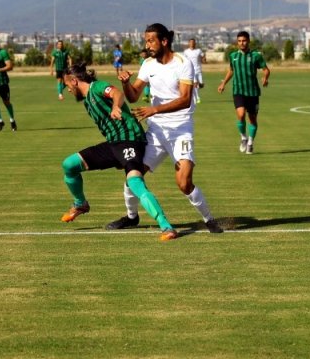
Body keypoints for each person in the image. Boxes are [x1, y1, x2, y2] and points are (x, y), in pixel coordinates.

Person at [110, 22, 223, 234]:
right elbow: (133, 95)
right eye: (146, 41)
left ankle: (209, 219)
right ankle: (131, 217)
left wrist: (155, 110)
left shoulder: (183, 62)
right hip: (156, 132)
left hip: (180, 130)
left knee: (183, 183)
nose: (147, 45)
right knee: (133, 176)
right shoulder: (148, 64)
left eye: (151, 40)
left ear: (164, 41)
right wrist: (126, 82)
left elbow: (185, 99)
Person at [59, 63, 178, 241]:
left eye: (67, 85)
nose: (67, 89)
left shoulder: (97, 87)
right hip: (113, 144)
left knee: (135, 183)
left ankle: (166, 226)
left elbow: (117, 93)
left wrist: (116, 106)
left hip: (129, 139)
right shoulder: (87, 99)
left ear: (74, 81)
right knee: (69, 165)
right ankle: (80, 204)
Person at [218, 30, 270, 154]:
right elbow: (231, 71)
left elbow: (266, 69)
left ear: (248, 41)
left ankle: (250, 142)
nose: (242, 43)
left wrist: (265, 78)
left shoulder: (256, 55)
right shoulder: (233, 56)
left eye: (244, 41)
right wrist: (223, 83)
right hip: (238, 90)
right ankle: (243, 138)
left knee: (252, 119)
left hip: (252, 92)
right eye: (240, 41)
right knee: (241, 115)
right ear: (237, 42)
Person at [183, 38, 206, 103]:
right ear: (189, 43)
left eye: (193, 42)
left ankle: (194, 94)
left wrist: (204, 59)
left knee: (201, 84)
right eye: (191, 42)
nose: (192, 44)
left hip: (199, 70)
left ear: (195, 43)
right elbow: (184, 60)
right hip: (191, 70)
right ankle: (197, 98)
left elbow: (203, 56)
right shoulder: (186, 52)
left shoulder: (198, 50)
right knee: (195, 84)